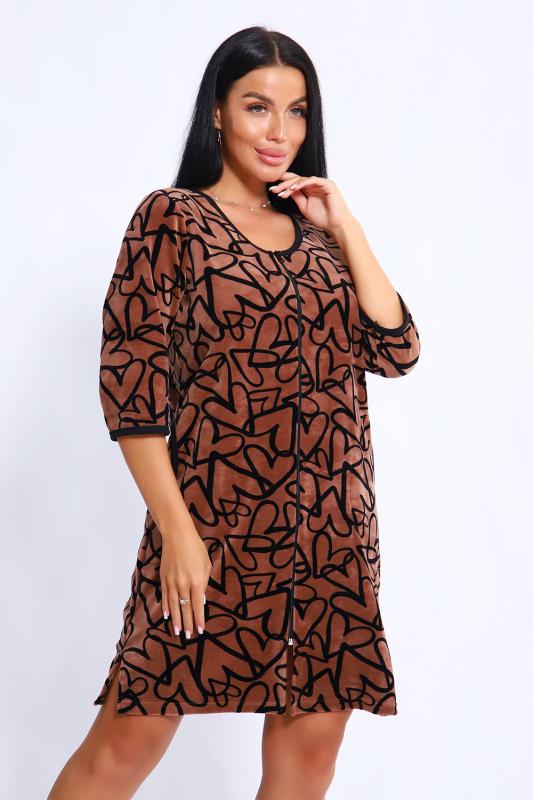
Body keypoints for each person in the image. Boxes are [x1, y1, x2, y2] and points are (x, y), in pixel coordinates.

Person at [48, 24, 421, 800]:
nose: (279, 130)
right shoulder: (172, 219)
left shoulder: (321, 238)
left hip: (329, 542)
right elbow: (132, 390)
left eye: (296, 111)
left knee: (307, 765)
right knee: (122, 749)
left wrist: (346, 226)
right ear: (217, 113)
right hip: (215, 529)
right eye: (258, 107)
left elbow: (397, 348)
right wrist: (177, 533)